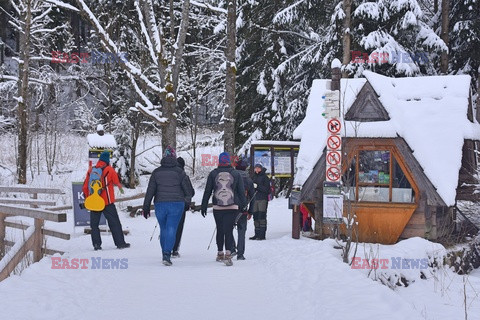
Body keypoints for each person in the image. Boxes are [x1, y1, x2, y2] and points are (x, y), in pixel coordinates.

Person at [142, 146, 193, 266]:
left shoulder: (156, 172)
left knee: (164, 228)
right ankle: (167, 253)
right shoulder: (180, 172)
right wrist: (186, 201)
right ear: (174, 157)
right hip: (176, 204)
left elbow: (150, 191)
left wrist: (146, 207)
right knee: (172, 228)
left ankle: (164, 252)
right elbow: (188, 191)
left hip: (160, 204)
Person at [201, 152, 247, 266]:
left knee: (220, 229)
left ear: (219, 161)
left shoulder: (213, 174)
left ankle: (220, 253)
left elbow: (208, 191)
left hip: (217, 206)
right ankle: (228, 254)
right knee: (229, 230)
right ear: (229, 161)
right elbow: (241, 192)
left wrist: (204, 205)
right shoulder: (236, 174)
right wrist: (244, 205)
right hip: (232, 206)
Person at [82, 150, 130, 250]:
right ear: (107, 160)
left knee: (94, 224)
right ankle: (120, 243)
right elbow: (117, 182)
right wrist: (120, 188)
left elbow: (85, 186)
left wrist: (89, 198)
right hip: (107, 201)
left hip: (95, 201)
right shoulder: (110, 170)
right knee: (114, 222)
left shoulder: (91, 170)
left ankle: (96, 245)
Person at [231, 157, 255, 260]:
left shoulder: (231, 177)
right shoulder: (249, 180)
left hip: (231, 207)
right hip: (243, 208)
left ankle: (232, 249)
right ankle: (240, 254)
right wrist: (251, 211)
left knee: (228, 229)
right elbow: (253, 197)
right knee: (242, 231)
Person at [171, 156, 195, 258]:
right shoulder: (183, 175)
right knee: (178, 227)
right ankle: (175, 249)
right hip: (180, 205)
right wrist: (186, 202)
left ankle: (167, 246)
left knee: (169, 226)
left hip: (167, 204)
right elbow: (190, 192)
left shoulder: (169, 175)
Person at [250, 163, 271, 240]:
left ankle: (262, 235)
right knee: (255, 216)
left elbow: (267, 190)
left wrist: (257, 186)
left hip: (262, 199)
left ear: (261, 169)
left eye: (258, 168)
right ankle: (256, 234)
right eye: (256, 168)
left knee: (261, 216)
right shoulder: (253, 176)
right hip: (255, 199)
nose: (257, 169)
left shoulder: (265, 177)